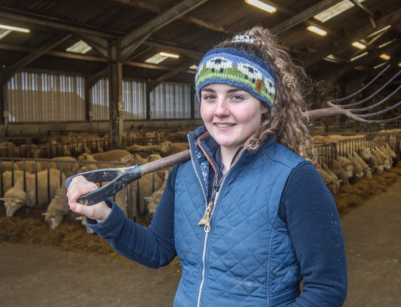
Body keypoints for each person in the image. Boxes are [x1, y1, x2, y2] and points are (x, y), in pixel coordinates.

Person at [67, 26, 347, 306]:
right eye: (210, 96)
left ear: (264, 104)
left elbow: (326, 289)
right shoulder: (186, 172)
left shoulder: (294, 178)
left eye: (236, 96)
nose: (220, 110)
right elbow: (158, 250)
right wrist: (103, 214)